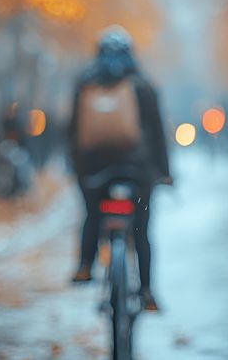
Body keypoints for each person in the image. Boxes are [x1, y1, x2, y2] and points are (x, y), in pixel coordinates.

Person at [68, 26, 171, 312]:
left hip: (94, 170)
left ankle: (85, 266)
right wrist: (164, 171)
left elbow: (73, 131)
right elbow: (158, 133)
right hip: (137, 171)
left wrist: (77, 169)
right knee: (141, 231)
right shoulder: (143, 85)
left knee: (91, 215)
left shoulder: (85, 84)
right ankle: (148, 292)